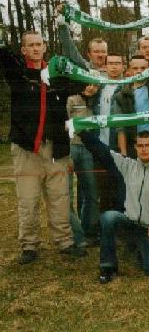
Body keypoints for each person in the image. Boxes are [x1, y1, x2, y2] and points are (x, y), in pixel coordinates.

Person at [0, 30, 87, 264]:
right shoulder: (18, 74)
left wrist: (89, 85)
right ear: (23, 50)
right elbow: (4, 56)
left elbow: (81, 83)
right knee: (28, 200)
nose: (36, 48)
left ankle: (65, 242)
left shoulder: (57, 75)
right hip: (27, 150)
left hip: (55, 148)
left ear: (45, 47)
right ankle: (29, 245)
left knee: (60, 197)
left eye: (39, 44)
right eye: (31, 45)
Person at [79, 130, 149, 283]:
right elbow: (102, 151)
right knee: (109, 217)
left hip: (148, 230)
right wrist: (83, 133)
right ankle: (108, 267)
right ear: (135, 147)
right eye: (140, 146)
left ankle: (141, 250)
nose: (144, 149)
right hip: (127, 222)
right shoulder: (127, 165)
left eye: (147, 145)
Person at [67, 79, 100, 244]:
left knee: (91, 192)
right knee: (67, 194)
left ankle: (89, 230)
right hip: (71, 148)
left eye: (95, 85)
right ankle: (76, 235)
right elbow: (63, 123)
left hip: (88, 149)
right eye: (88, 84)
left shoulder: (97, 102)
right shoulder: (72, 99)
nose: (91, 87)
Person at [114, 55, 149, 157]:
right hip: (134, 146)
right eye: (135, 68)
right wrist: (123, 153)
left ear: (148, 69)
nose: (139, 71)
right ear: (129, 71)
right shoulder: (121, 95)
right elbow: (120, 127)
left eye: (143, 68)